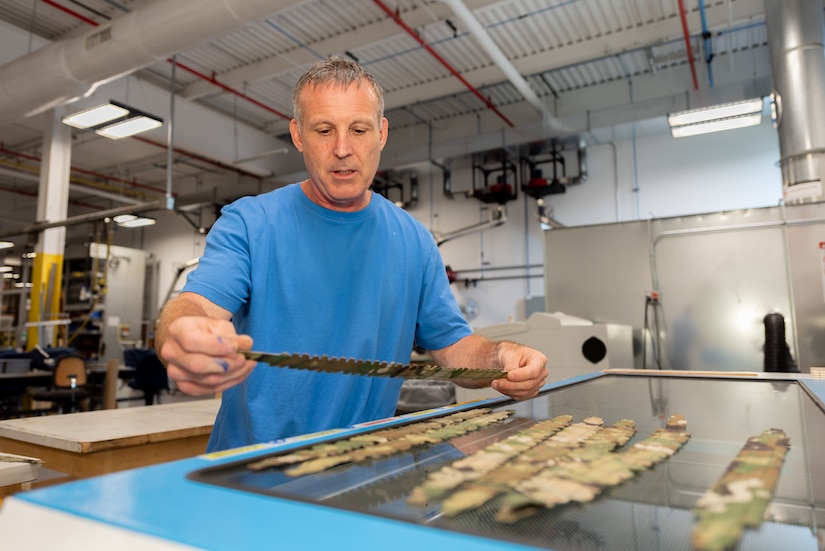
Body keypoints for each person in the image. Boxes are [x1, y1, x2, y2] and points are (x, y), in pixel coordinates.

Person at [154, 57, 548, 452]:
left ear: (381, 133)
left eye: (358, 129)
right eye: (324, 130)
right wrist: (183, 332)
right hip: (249, 477)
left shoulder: (414, 241)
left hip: (364, 480)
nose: (343, 149)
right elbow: (196, 306)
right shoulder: (251, 223)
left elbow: (453, 347)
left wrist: (500, 356)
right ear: (297, 135)